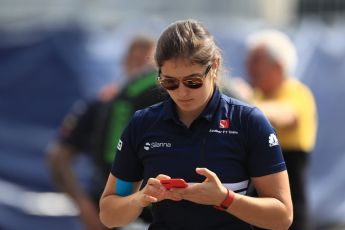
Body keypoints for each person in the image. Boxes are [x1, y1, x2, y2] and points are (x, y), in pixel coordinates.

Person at [99, 19, 293, 230]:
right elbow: (109, 215)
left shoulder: (248, 121)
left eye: (193, 81)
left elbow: (282, 216)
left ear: (215, 66)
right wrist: (141, 198)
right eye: (170, 82)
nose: (182, 92)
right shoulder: (143, 124)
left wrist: (224, 198)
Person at [47, 35, 163, 230]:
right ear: (124, 63)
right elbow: (58, 158)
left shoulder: (178, 109)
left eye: (150, 64)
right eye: (137, 62)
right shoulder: (99, 106)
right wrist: (83, 206)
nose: (144, 71)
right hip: (109, 214)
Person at [245, 29, 318, 230]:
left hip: (289, 210)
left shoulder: (297, 92)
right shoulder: (257, 96)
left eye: (256, 60)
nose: (248, 66)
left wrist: (241, 103)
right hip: (257, 207)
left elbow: (285, 114)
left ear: (277, 66)